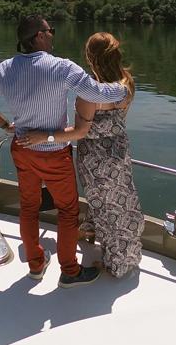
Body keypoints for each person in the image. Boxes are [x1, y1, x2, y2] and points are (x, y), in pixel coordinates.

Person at [0, 16, 127, 287]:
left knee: (29, 208)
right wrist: (122, 88)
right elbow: (97, 94)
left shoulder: (6, 68)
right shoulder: (61, 67)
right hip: (54, 152)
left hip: (21, 149)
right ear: (39, 37)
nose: (52, 35)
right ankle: (69, 270)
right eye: (50, 31)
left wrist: (6, 124)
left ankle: (36, 264)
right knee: (67, 211)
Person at [17, 32, 142, 278]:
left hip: (95, 159)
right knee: (119, 201)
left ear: (90, 57)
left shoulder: (89, 95)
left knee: (103, 203)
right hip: (119, 152)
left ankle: (113, 261)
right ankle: (99, 236)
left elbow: (80, 132)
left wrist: (45, 137)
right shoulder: (127, 84)